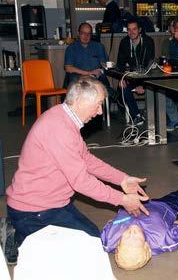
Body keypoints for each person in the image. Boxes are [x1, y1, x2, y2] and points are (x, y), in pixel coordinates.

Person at [6, 77, 150, 256]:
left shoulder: (63, 117)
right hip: (34, 210)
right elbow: (81, 182)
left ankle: (22, 232)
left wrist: (122, 178)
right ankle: (17, 235)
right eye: (98, 105)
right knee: (87, 249)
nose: (99, 112)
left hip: (55, 204)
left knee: (93, 241)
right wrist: (122, 199)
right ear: (81, 102)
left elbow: (87, 160)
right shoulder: (59, 128)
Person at [101, 173, 178, 270]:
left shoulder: (109, 241)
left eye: (126, 237)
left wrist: (112, 223)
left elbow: (107, 228)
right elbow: (174, 240)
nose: (132, 232)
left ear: (118, 244)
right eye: (137, 237)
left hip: (132, 205)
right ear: (146, 245)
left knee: (130, 192)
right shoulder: (160, 241)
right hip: (163, 207)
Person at [117, 19, 155, 126]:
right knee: (122, 87)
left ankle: (151, 114)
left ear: (140, 30)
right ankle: (137, 115)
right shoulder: (124, 42)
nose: (131, 32)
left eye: (134, 29)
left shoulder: (148, 41)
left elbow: (150, 64)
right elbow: (120, 64)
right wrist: (122, 78)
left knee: (155, 87)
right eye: (129, 30)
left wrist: (141, 84)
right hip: (132, 77)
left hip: (147, 77)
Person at [64, 22, 115, 99]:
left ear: (91, 35)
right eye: (83, 33)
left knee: (102, 85)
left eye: (89, 34)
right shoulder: (71, 48)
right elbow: (68, 68)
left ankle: (104, 108)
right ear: (78, 33)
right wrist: (88, 73)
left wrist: (100, 71)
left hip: (97, 77)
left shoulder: (99, 46)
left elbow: (105, 65)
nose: (86, 36)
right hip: (79, 78)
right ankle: (110, 93)